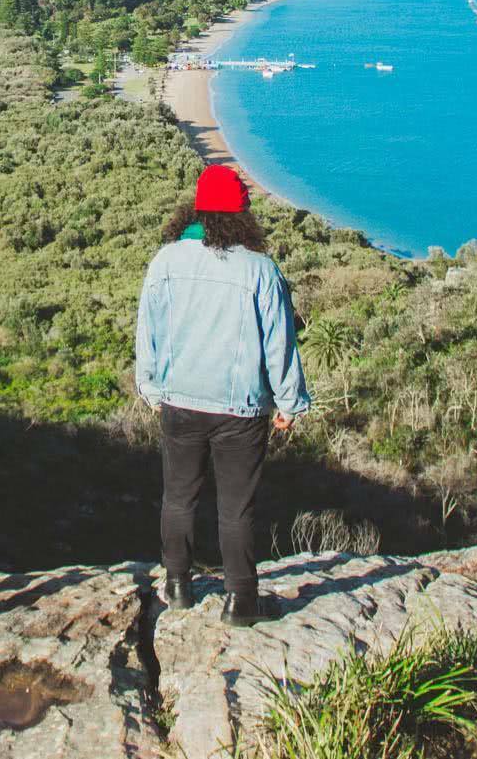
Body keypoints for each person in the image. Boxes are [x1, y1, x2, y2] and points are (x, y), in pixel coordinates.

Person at [135, 164, 311, 626]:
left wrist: (152, 388)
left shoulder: (166, 261)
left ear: (196, 209)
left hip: (179, 400)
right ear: (240, 216)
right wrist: (289, 403)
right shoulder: (260, 269)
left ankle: (176, 584)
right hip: (240, 408)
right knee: (236, 507)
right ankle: (241, 601)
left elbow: (147, 332)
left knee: (178, 497)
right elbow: (280, 344)